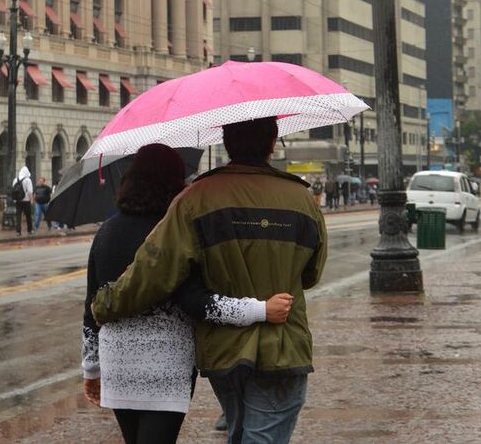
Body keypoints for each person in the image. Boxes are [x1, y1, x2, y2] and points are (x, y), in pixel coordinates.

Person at [93, 117, 328, 443]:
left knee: (241, 430)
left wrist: (106, 304)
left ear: (226, 141)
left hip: (224, 349)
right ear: (273, 142)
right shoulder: (302, 199)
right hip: (282, 346)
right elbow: (312, 274)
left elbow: (156, 269)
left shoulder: (195, 198)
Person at [13, 166, 35, 236]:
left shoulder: (15, 179)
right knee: (28, 216)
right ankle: (30, 230)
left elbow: (13, 190)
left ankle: (18, 231)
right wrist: (31, 200)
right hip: (26, 200)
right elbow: (30, 191)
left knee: (18, 216)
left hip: (18, 200)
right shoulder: (28, 180)